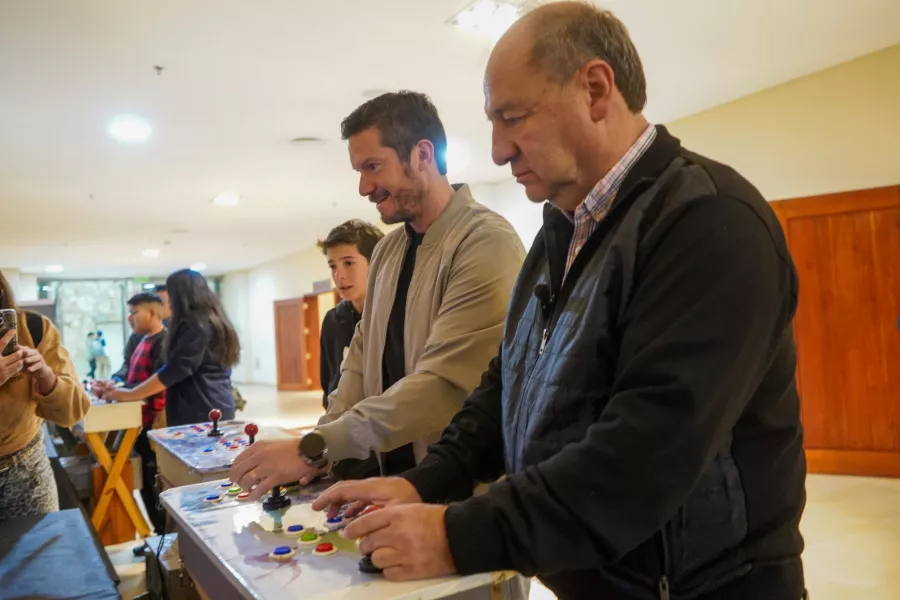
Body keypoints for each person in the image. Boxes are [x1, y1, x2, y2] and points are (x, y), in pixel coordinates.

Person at [310, 5, 807, 600]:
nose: (498, 151)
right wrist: (426, 482)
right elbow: (505, 387)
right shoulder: (561, 232)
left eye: (512, 118)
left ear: (595, 90)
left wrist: (456, 535)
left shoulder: (708, 221)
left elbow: (642, 457)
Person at [231, 91, 526, 498]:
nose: (363, 187)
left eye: (373, 167)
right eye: (359, 171)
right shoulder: (388, 250)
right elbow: (358, 361)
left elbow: (441, 387)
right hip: (394, 485)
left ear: (422, 155)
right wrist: (317, 453)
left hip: (462, 492)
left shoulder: (485, 241)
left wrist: (314, 448)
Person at [0, 272, 91, 519]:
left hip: (27, 472)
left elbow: (73, 411)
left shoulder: (34, 328)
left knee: (40, 544)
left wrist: (45, 375)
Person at [104, 269, 239, 427]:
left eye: (170, 297)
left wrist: (132, 394)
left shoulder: (196, 325)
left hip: (200, 409)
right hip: (216, 403)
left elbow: (177, 369)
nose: (169, 303)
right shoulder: (215, 321)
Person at [93, 293, 168, 533]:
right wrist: (115, 385)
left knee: (155, 480)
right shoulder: (140, 339)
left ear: (153, 313)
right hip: (139, 420)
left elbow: (156, 385)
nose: (130, 318)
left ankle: (164, 534)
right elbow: (131, 375)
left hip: (154, 423)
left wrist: (123, 394)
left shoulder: (164, 341)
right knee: (145, 479)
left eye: (134, 312)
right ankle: (156, 533)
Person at [318, 219, 384, 411]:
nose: (339, 275)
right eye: (333, 266)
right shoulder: (332, 320)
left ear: (376, 262)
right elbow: (329, 382)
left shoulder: (396, 314)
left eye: (348, 263)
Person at [114, 284, 170, 384]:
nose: (129, 318)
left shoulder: (167, 340)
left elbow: (157, 383)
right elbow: (128, 364)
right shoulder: (139, 335)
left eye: (134, 312)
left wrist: (124, 391)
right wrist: (114, 381)